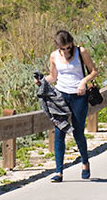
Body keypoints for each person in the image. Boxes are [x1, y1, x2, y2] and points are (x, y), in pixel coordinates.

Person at [44, 29, 97, 181]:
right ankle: (59, 171)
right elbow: (53, 77)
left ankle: (85, 161)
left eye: (69, 47)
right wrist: (41, 80)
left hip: (79, 96)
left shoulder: (81, 52)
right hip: (61, 96)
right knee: (59, 132)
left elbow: (93, 71)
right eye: (63, 49)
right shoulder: (54, 56)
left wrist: (83, 82)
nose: (67, 51)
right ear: (58, 47)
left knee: (78, 131)